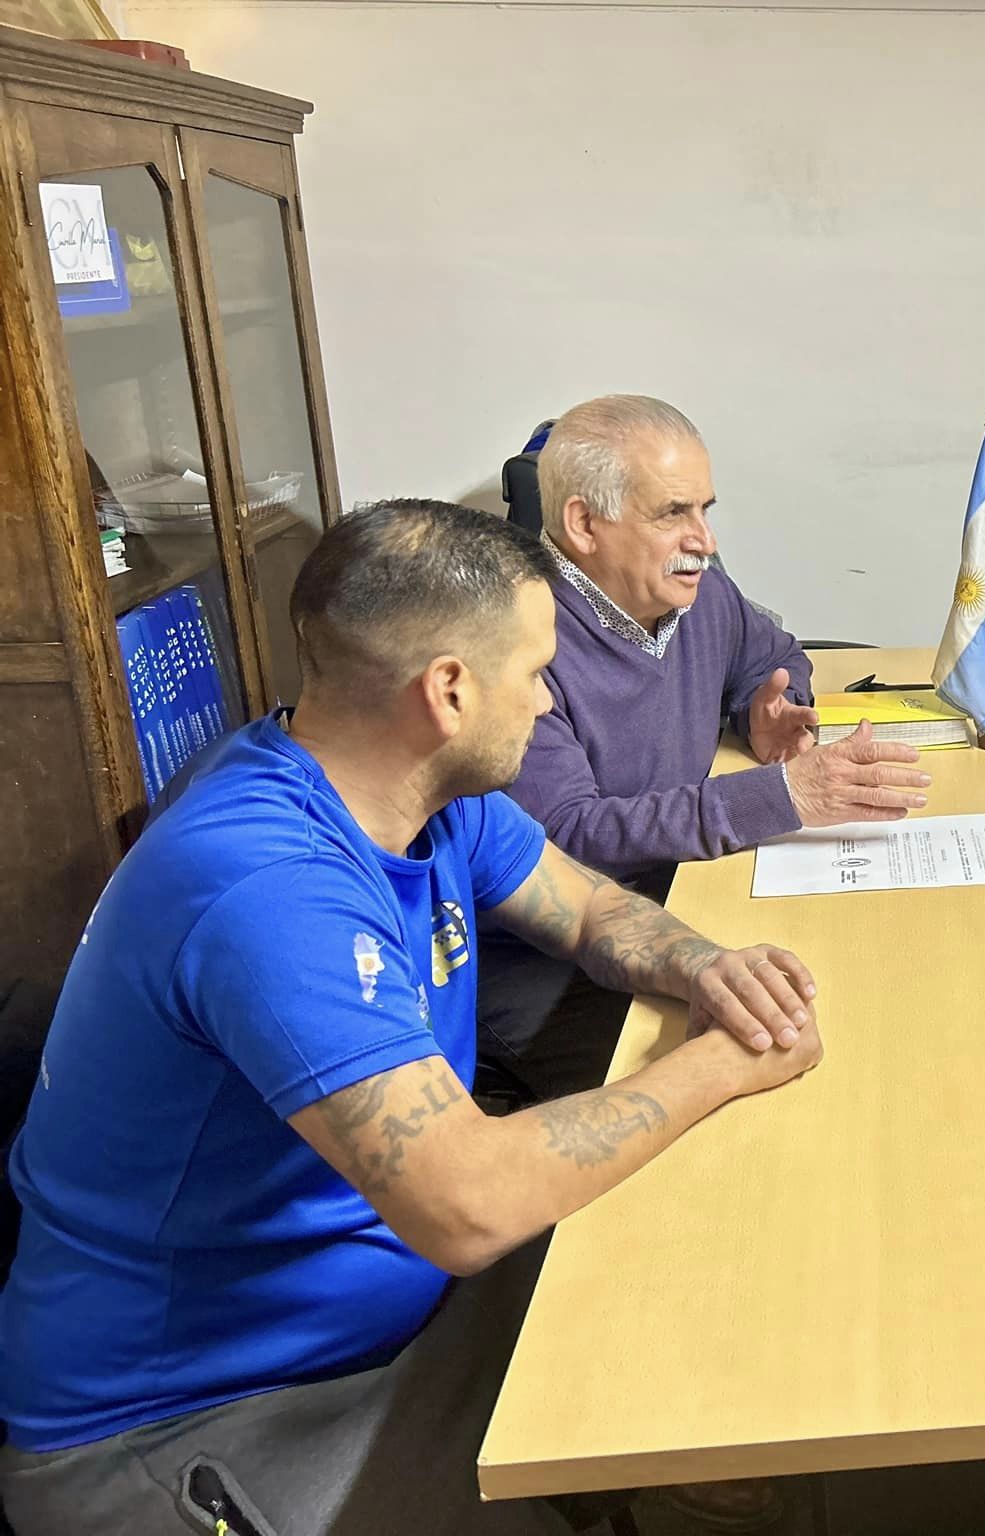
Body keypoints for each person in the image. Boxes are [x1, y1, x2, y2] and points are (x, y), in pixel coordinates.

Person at [0, 501, 822, 1536]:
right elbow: (466, 1204)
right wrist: (725, 1065)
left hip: (398, 1318)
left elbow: (589, 908)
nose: (546, 697)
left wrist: (708, 969)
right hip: (191, 1425)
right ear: (448, 691)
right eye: (535, 672)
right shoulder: (266, 886)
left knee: (727, 1322)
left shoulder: (424, 793)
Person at [478, 394, 930, 1103]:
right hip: (551, 964)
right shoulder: (519, 643)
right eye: (673, 514)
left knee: (879, 1007)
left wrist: (765, 710)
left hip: (682, 900)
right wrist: (783, 797)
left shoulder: (697, 589)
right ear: (583, 524)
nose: (705, 540)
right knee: (778, 1084)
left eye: (705, 510)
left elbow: (771, 651)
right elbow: (565, 839)